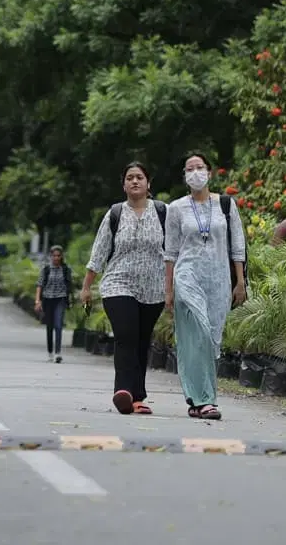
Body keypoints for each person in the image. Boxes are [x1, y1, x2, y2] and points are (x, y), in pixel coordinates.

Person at [165, 154, 247, 421]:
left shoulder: (225, 204)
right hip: (187, 275)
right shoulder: (175, 208)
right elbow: (170, 252)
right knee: (197, 332)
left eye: (200, 167)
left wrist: (240, 283)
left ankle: (195, 398)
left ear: (209, 173)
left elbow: (238, 246)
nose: (195, 172)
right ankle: (207, 401)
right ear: (184, 175)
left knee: (209, 338)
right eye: (190, 169)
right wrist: (168, 290)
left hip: (219, 279)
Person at [81, 162, 167, 415]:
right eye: (130, 178)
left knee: (142, 340)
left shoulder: (164, 212)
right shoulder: (115, 213)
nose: (135, 181)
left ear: (148, 183)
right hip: (118, 284)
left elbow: (175, 250)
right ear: (124, 185)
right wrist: (87, 286)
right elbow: (99, 252)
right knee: (126, 334)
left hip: (154, 288)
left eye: (140, 177)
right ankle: (124, 392)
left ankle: (138, 397)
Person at [34, 245, 74, 363]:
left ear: (61, 257)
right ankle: (50, 352)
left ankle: (58, 353)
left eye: (58, 256)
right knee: (49, 327)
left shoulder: (66, 269)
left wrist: (70, 299)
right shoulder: (46, 269)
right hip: (47, 299)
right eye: (54, 256)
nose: (56, 258)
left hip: (60, 299)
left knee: (59, 325)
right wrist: (37, 301)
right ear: (51, 256)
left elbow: (69, 285)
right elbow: (40, 285)